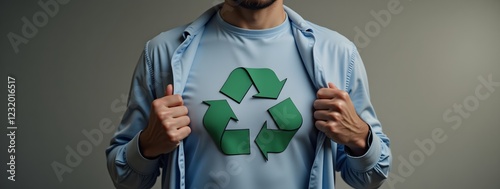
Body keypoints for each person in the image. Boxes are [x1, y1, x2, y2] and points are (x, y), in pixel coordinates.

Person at [106, 1, 391, 188]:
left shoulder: (337, 54)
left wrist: (359, 137)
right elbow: (125, 178)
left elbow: (371, 176)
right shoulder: (163, 53)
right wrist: (147, 145)